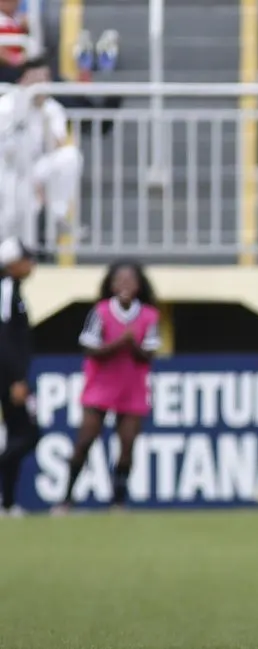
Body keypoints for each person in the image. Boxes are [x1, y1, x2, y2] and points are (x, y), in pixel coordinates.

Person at [54, 260, 160, 513]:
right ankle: (66, 497)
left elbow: (148, 354)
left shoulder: (149, 315)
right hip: (100, 386)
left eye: (130, 280)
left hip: (132, 387)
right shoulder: (100, 312)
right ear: (111, 285)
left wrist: (132, 344)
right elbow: (90, 349)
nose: (125, 285)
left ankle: (118, 500)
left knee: (127, 445)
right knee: (85, 440)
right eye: (120, 280)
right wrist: (120, 342)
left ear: (139, 285)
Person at [0, 55, 83, 250]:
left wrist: (44, 117)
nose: (41, 85)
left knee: (70, 156)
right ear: (23, 80)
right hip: (8, 168)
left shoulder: (52, 109)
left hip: (36, 169)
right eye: (36, 80)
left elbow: (60, 145)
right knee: (15, 200)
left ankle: (57, 216)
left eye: (45, 80)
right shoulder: (6, 105)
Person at [0, 236, 37, 516]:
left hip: (12, 376)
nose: (31, 264)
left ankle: (9, 502)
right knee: (27, 433)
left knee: (20, 434)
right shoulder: (5, 290)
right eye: (26, 259)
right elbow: (5, 338)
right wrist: (16, 379)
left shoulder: (13, 290)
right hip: (9, 378)